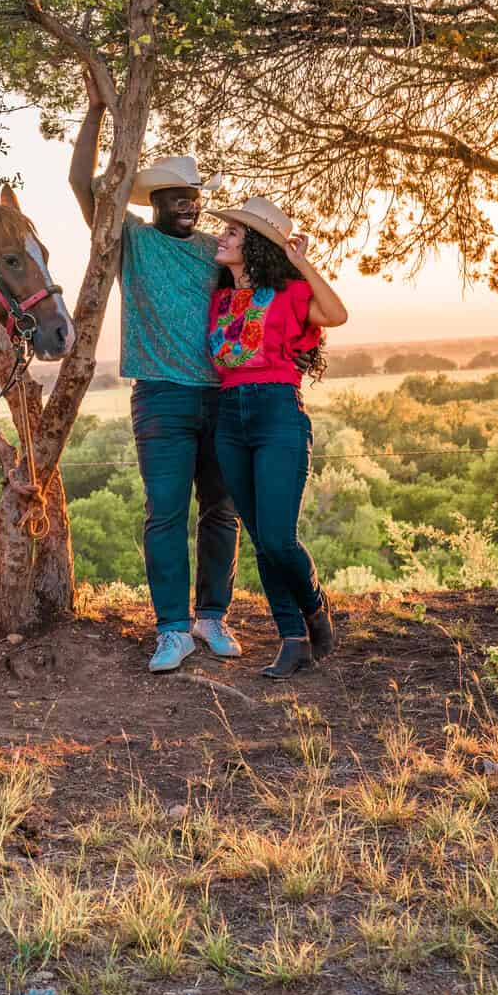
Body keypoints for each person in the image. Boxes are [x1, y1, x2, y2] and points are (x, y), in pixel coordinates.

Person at [70, 76, 241, 673]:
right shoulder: (132, 242)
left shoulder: (215, 252)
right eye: (178, 198)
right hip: (162, 399)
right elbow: (80, 184)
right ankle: (172, 629)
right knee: (165, 511)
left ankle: (212, 617)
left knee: (221, 511)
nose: (190, 204)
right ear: (155, 204)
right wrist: (96, 110)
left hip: (222, 397)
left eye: (194, 195)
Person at [204, 197, 348, 678]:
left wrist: (301, 261)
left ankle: (314, 607)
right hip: (230, 417)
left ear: (257, 246)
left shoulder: (288, 291)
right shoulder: (219, 298)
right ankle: (292, 639)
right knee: (262, 541)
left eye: (233, 233)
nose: (222, 237)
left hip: (278, 414)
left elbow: (336, 313)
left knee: (280, 539)